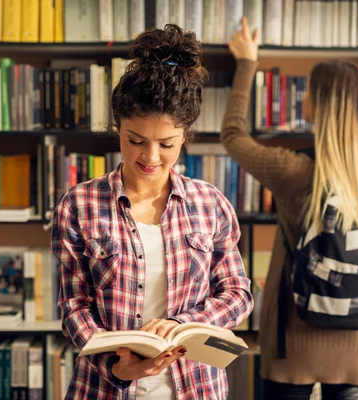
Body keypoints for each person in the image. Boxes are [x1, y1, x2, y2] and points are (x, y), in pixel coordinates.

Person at [51, 24, 254, 400]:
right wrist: (117, 365)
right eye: (136, 140)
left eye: (167, 143)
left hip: (197, 388)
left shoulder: (210, 204)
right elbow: (72, 305)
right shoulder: (78, 205)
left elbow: (237, 294)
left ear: (185, 136)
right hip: (104, 386)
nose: (150, 156)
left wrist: (183, 323)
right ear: (118, 129)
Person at [221, 17, 358, 400]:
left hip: (293, 340)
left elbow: (233, 136)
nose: (303, 96)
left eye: (310, 91)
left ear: (320, 104)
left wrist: (247, 63)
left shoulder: (296, 172)